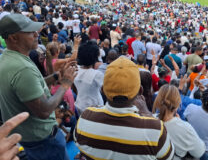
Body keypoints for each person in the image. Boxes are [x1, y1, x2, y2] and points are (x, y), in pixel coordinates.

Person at [0, 14, 77, 160]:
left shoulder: (8, 57)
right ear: (13, 38)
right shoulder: (23, 69)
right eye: (30, 32)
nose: (36, 34)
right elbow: (44, 110)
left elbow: (31, 85)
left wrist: (55, 77)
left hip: (27, 140)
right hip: (42, 143)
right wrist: (66, 83)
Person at [75, 57, 174, 160]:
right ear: (140, 91)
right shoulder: (155, 129)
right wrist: (147, 113)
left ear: (103, 90)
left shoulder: (85, 118)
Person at [153, 84, 206, 159]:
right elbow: (199, 152)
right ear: (177, 104)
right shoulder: (185, 128)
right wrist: (180, 123)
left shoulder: (148, 120)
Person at [74, 41, 104, 115]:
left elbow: (74, 89)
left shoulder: (76, 70)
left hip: (79, 104)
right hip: (95, 108)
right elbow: (105, 91)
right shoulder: (97, 74)